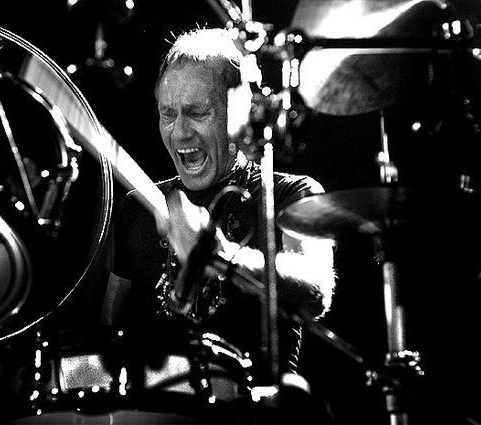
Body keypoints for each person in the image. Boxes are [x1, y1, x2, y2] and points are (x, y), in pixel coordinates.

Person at [100, 27, 336, 381]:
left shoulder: (292, 194)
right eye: (168, 114)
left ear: (238, 113)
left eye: (197, 113)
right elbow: (108, 335)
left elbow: (317, 291)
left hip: (253, 404)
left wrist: (225, 259)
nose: (180, 132)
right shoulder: (139, 205)